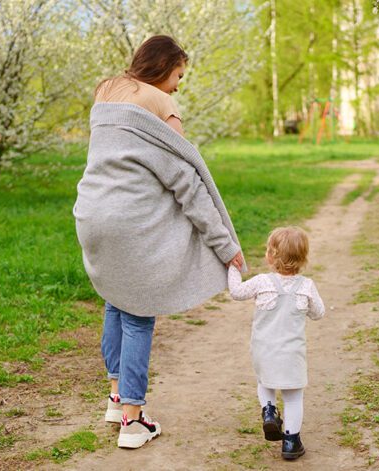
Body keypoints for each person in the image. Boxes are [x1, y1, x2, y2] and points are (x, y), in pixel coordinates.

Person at [74, 35, 245, 449]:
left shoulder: (105, 90)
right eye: (179, 75)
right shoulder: (162, 105)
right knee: (139, 313)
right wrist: (227, 247)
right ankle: (133, 420)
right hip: (130, 221)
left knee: (116, 299)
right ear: (165, 66)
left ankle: (116, 397)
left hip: (91, 212)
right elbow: (188, 184)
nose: (179, 85)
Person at [227, 226, 325, 460]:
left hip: (264, 350)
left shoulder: (262, 282)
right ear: (303, 259)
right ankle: (291, 442)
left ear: (271, 256)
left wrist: (233, 267)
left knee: (265, 382)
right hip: (292, 354)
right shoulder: (306, 286)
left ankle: (269, 412)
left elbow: (236, 292)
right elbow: (319, 313)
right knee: (293, 397)